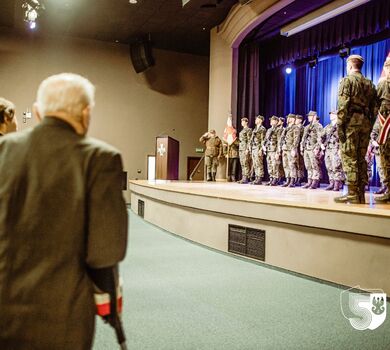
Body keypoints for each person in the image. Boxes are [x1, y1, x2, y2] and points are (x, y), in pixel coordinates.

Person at [0, 73, 128, 349]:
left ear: (37, 112)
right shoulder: (100, 158)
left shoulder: (3, 150)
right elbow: (106, 250)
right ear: (86, 113)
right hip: (62, 314)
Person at [334, 55, 377, 204]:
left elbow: (342, 105)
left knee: (349, 157)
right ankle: (361, 193)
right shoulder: (370, 84)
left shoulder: (347, 81)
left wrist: (340, 126)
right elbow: (375, 109)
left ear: (350, 66)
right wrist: (369, 124)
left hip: (351, 123)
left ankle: (352, 192)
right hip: (365, 123)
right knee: (361, 158)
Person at [375, 58, 390, 203]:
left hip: (387, 131)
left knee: (386, 162)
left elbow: (373, 103)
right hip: (386, 128)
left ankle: (389, 191)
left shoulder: (384, 84)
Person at [321, 111, 344, 191]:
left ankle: (337, 184)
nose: (331, 115)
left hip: (336, 149)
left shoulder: (340, 126)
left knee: (336, 166)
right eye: (330, 114)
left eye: (333, 114)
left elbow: (342, 139)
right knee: (329, 166)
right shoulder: (327, 127)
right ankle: (332, 183)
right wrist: (321, 144)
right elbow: (321, 136)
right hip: (328, 149)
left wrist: (340, 149)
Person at [300, 111, 323, 189]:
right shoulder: (307, 127)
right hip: (306, 148)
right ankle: (309, 181)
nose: (309, 117)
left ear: (315, 116)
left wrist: (317, 148)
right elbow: (303, 137)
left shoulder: (318, 126)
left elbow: (320, 138)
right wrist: (301, 146)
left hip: (313, 148)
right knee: (308, 166)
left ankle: (315, 181)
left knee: (315, 166)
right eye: (308, 116)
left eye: (310, 116)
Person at [279, 114, 299, 187]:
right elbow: (282, 138)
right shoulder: (286, 128)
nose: (287, 119)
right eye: (287, 118)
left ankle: (292, 181)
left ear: (293, 119)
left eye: (289, 118)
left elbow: (296, 139)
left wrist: (294, 149)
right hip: (285, 148)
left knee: (291, 165)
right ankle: (288, 179)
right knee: (285, 165)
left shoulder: (295, 128)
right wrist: (280, 147)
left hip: (291, 149)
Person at [370, 117, 386, 194]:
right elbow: (373, 133)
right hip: (380, 149)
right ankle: (384, 186)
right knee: (381, 168)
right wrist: (373, 141)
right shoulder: (380, 118)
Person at [249, 115, 266, 185]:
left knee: (259, 163)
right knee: (255, 163)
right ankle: (256, 177)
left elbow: (263, 140)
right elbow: (252, 138)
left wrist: (261, 149)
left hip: (258, 147)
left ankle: (259, 178)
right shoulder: (255, 128)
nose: (255, 120)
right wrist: (250, 146)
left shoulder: (262, 129)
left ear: (260, 120)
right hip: (254, 148)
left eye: (257, 119)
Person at [263, 115, 279, 186]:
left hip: (274, 149)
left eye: (272, 120)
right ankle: (271, 178)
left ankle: (275, 179)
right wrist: (264, 146)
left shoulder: (278, 130)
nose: (271, 121)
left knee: (274, 164)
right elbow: (266, 139)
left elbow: (279, 141)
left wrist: (278, 152)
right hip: (269, 149)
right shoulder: (269, 130)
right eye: (270, 120)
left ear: (276, 121)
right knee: (269, 164)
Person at [238, 117, 252, 184]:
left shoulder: (248, 130)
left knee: (245, 162)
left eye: (243, 121)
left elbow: (249, 140)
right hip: (241, 148)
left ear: (246, 122)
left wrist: (247, 149)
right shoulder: (242, 130)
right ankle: (243, 177)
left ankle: (246, 177)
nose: (242, 123)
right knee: (242, 163)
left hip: (245, 148)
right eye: (241, 121)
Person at [294, 115, 305, 186]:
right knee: (295, 163)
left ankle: (300, 178)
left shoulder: (303, 128)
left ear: (300, 120)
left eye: (297, 119)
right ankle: (296, 177)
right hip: (295, 147)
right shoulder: (295, 128)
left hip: (299, 147)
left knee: (300, 163)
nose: (295, 120)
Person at [275, 117, 285, 185]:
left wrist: (280, 149)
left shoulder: (283, 129)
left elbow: (281, 139)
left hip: (281, 148)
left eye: (279, 121)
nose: (278, 122)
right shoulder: (276, 129)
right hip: (276, 147)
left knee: (281, 164)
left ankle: (281, 178)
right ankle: (277, 178)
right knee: (277, 164)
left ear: (282, 122)